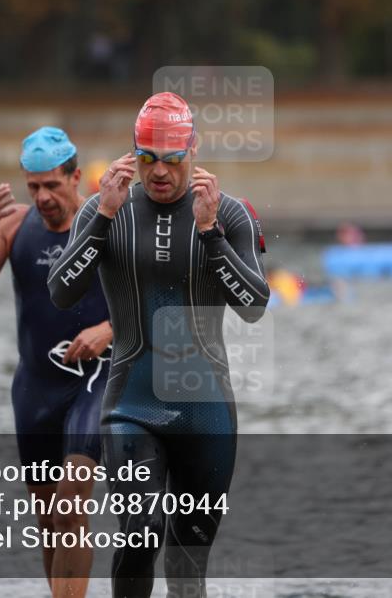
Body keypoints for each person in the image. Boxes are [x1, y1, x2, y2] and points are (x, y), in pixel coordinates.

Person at [48, 92, 270, 597]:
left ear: (193, 151)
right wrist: (103, 216)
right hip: (132, 404)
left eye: (173, 159)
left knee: (188, 564)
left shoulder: (229, 213)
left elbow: (255, 306)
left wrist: (210, 233)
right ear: (133, 154)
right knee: (140, 535)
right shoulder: (105, 209)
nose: (160, 172)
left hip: (207, 410)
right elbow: (61, 293)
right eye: (148, 159)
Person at [0, 126, 112, 598]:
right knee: (48, 521)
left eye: (52, 185)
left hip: (95, 381)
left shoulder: (106, 224)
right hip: (35, 390)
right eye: (33, 186)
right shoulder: (15, 226)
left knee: (70, 503)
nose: (42, 197)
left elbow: (155, 298)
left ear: (75, 176)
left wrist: (110, 330)